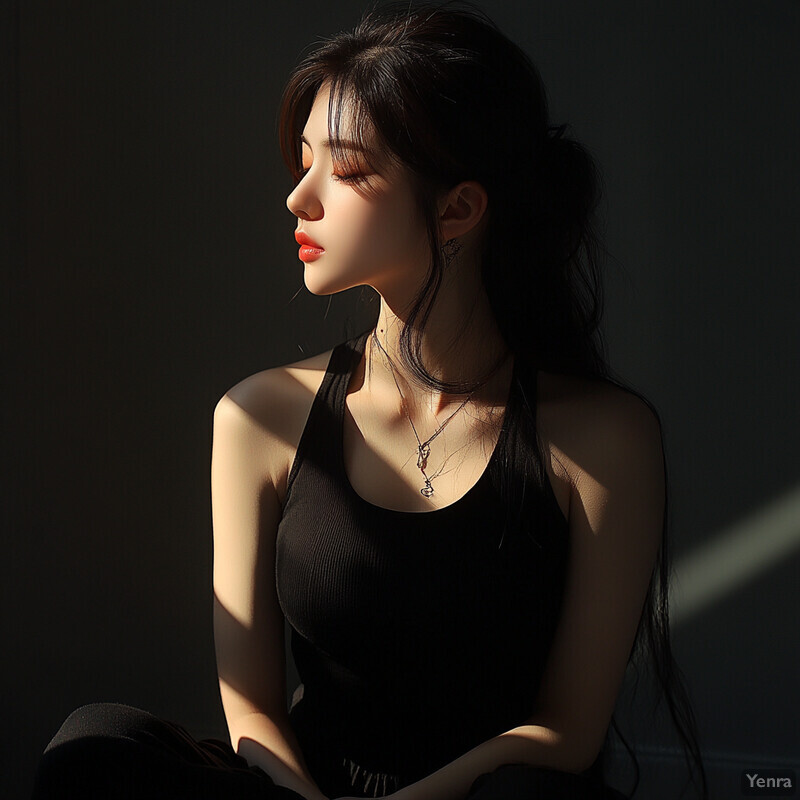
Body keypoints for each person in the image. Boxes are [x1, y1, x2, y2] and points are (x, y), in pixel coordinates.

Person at [31, 2, 709, 799]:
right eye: (304, 159)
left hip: (489, 794)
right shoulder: (259, 416)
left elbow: (564, 733)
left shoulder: (600, 437)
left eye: (347, 171)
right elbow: (249, 707)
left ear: (458, 208)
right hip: (299, 791)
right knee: (95, 744)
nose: (299, 198)